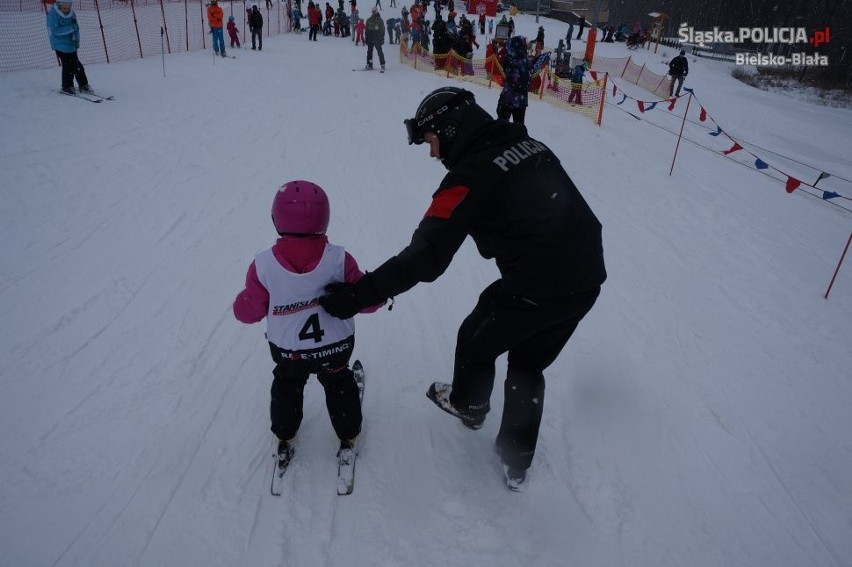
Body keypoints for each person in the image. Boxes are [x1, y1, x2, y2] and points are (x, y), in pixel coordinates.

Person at [319, 87, 606, 490]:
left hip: (540, 281)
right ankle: (516, 461)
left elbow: (424, 258)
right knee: (528, 363)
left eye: (432, 142)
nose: (433, 154)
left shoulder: (469, 177)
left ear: (450, 130)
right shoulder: (523, 139)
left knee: (475, 338)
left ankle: (469, 407)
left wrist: (359, 294)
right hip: (588, 275)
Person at [233, 181, 380, 470]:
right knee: (338, 382)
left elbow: (248, 312)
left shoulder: (263, 266)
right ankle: (348, 432)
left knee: (287, 384)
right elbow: (367, 301)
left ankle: (284, 432)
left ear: (277, 218)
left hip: (290, 352)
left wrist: (242, 302)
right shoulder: (339, 259)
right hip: (334, 348)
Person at [46, 0, 90, 94]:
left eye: (68, 8)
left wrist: (77, 41)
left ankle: (83, 85)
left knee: (76, 65)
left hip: (71, 44)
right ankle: (67, 86)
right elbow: (55, 32)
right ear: (58, 5)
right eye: (64, 8)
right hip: (59, 44)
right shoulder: (53, 15)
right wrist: (71, 28)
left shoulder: (72, 14)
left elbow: (76, 29)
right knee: (69, 65)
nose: (66, 10)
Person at [496, 35, 531, 124]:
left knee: (502, 125)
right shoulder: (525, 60)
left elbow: (513, 82)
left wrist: (502, 100)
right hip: (521, 101)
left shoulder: (516, 63)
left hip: (510, 100)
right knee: (518, 127)